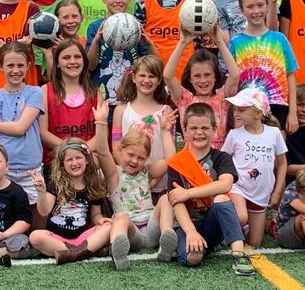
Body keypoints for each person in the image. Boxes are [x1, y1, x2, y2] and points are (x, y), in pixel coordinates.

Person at [155, 102, 253, 274]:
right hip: (187, 225)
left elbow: (225, 184)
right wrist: (191, 231)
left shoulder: (221, 158)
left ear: (214, 129)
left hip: (211, 223)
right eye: (193, 128)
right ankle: (191, 246)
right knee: (194, 258)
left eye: (205, 128)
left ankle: (239, 254)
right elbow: (176, 200)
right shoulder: (178, 162)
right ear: (184, 130)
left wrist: (188, 193)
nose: (199, 132)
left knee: (222, 198)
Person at [29, 141, 121, 263]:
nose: (74, 163)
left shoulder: (93, 185)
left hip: (84, 238)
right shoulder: (55, 184)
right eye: (69, 159)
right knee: (35, 237)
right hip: (58, 239)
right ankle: (85, 252)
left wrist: (99, 220)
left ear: (87, 160)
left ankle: (72, 254)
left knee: (108, 226)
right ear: (62, 164)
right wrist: (41, 192)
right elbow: (43, 211)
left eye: (78, 158)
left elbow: (95, 215)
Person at [0, 43, 48, 203]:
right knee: (6, 215)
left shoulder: (34, 92)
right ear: (0, 66)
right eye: (10, 65)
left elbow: (20, 128)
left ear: (28, 66)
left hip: (30, 168)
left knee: (34, 216)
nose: (15, 71)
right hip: (4, 168)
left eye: (20, 66)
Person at [220, 88, 285, 247]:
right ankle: (231, 228)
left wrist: (277, 191)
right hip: (238, 188)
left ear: (258, 113)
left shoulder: (274, 133)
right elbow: (223, 160)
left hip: (261, 194)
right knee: (241, 217)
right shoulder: (234, 134)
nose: (236, 113)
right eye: (235, 109)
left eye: (241, 110)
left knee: (255, 242)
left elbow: (282, 163)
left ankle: (242, 229)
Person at [227, 0, 297, 128]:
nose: (256, 11)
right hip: (247, 107)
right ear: (242, 10)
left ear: (267, 6)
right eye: (250, 7)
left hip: (277, 104)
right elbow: (232, 79)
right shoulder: (236, 43)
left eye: (260, 5)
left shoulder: (280, 39)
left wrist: (293, 112)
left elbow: (290, 75)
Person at [97, 127, 158, 269]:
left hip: (152, 228)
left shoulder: (146, 172)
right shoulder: (114, 174)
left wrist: (167, 132)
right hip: (132, 233)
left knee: (166, 200)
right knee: (120, 217)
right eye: (130, 154)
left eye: (141, 158)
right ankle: (118, 252)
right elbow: (103, 153)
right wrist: (100, 123)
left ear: (146, 159)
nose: (135, 161)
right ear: (119, 150)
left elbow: (170, 161)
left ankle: (167, 241)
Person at [41, 38, 101, 164]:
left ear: (84, 61)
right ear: (57, 63)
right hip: (55, 163)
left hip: (87, 162)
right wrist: (71, 150)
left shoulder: (95, 92)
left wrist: (82, 151)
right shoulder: (45, 91)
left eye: (77, 57)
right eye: (66, 57)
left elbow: (102, 132)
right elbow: (43, 132)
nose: (72, 61)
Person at [111, 52, 174, 168]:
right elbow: (116, 145)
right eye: (142, 75)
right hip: (129, 178)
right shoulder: (121, 110)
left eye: (152, 76)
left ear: (159, 81)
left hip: (159, 176)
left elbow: (170, 148)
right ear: (134, 78)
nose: (146, 80)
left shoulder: (166, 111)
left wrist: (155, 178)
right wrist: (130, 172)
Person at [133, 0, 189, 75]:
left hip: (186, 70)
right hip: (153, 72)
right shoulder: (143, 1)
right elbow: (138, 38)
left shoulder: (192, 0)